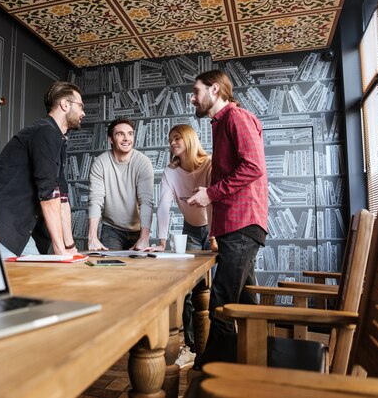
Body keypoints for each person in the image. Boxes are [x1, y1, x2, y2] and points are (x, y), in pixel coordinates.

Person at [186, 70, 268, 365]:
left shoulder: (237, 118)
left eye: (196, 91)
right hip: (236, 226)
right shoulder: (221, 124)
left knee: (221, 305)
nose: (193, 98)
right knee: (245, 303)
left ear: (215, 90)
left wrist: (210, 194)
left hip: (243, 225)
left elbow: (253, 167)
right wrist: (209, 191)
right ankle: (255, 365)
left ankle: (206, 372)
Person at [0, 81, 84, 257]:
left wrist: (70, 246)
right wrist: (59, 249)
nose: (83, 112)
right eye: (80, 106)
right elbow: (49, 194)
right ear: (65, 105)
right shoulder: (45, 132)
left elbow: (62, 198)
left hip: (21, 230)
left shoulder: (58, 139)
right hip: (2, 227)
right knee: (29, 282)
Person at [148, 123, 216, 368]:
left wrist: (214, 236)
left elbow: (212, 201)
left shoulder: (208, 163)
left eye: (177, 138)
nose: (173, 142)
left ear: (189, 139)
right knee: (188, 291)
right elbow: (164, 205)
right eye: (170, 139)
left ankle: (214, 348)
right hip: (190, 231)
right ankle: (191, 348)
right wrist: (162, 241)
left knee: (213, 291)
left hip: (213, 229)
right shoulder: (170, 171)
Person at [88, 118, 154, 251]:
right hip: (111, 229)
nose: (126, 138)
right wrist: (92, 238)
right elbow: (95, 200)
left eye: (130, 134)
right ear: (110, 139)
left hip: (137, 229)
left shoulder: (143, 162)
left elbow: (146, 202)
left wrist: (144, 237)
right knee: (111, 269)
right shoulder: (100, 163)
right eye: (120, 134)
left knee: (139, 270)